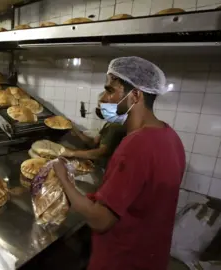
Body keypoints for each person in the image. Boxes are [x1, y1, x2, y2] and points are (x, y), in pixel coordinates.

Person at [53, 56, 185, 270]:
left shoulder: (136, 145)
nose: (104, 98)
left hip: (121, 260)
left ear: (135, 95)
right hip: (151, 258)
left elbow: (100, 220)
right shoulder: (171, 138)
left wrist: (62, 175)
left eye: (110, 90)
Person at [62, 93, 127, 167]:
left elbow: (101, 153)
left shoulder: (115, 126)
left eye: (103, 105)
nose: (100, 109)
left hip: (109, 168)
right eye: (99, 106)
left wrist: (72, 153)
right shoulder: (109, 123)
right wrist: (74, 128)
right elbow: (93, 143)